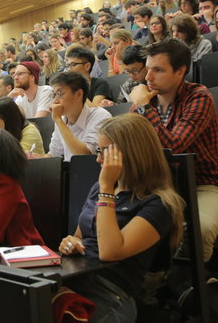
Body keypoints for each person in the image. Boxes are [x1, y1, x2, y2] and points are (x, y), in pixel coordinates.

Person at [59, 114, 185, 322]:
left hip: (110, 294)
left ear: (131, 153)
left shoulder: (160, 203)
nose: (98, 159)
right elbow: (79, 237)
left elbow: (111, 251)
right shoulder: (99, 187)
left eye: (104, 152)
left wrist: (107, 188)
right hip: (75, 279)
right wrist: (70, 243)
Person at [130, 38, 218, 264]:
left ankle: (189, 291)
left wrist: (143, 108)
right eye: (148, 69)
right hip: (162, 185)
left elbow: (173, 147)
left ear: (181, 71)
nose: (148, 77)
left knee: (198, 229)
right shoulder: (144, 103)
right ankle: (150, 287)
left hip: (204, 184)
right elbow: (131, 147)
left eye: (158, 70)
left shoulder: (199, 97)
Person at [43, 72, 111, 161]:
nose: (55, 100)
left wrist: (58, 120)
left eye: (60, 93)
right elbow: (53, 154)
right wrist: (35, 159)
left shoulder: (100, 116)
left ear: (78, 94)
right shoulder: (62, 120)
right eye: (54, 94)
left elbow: (85, 156)